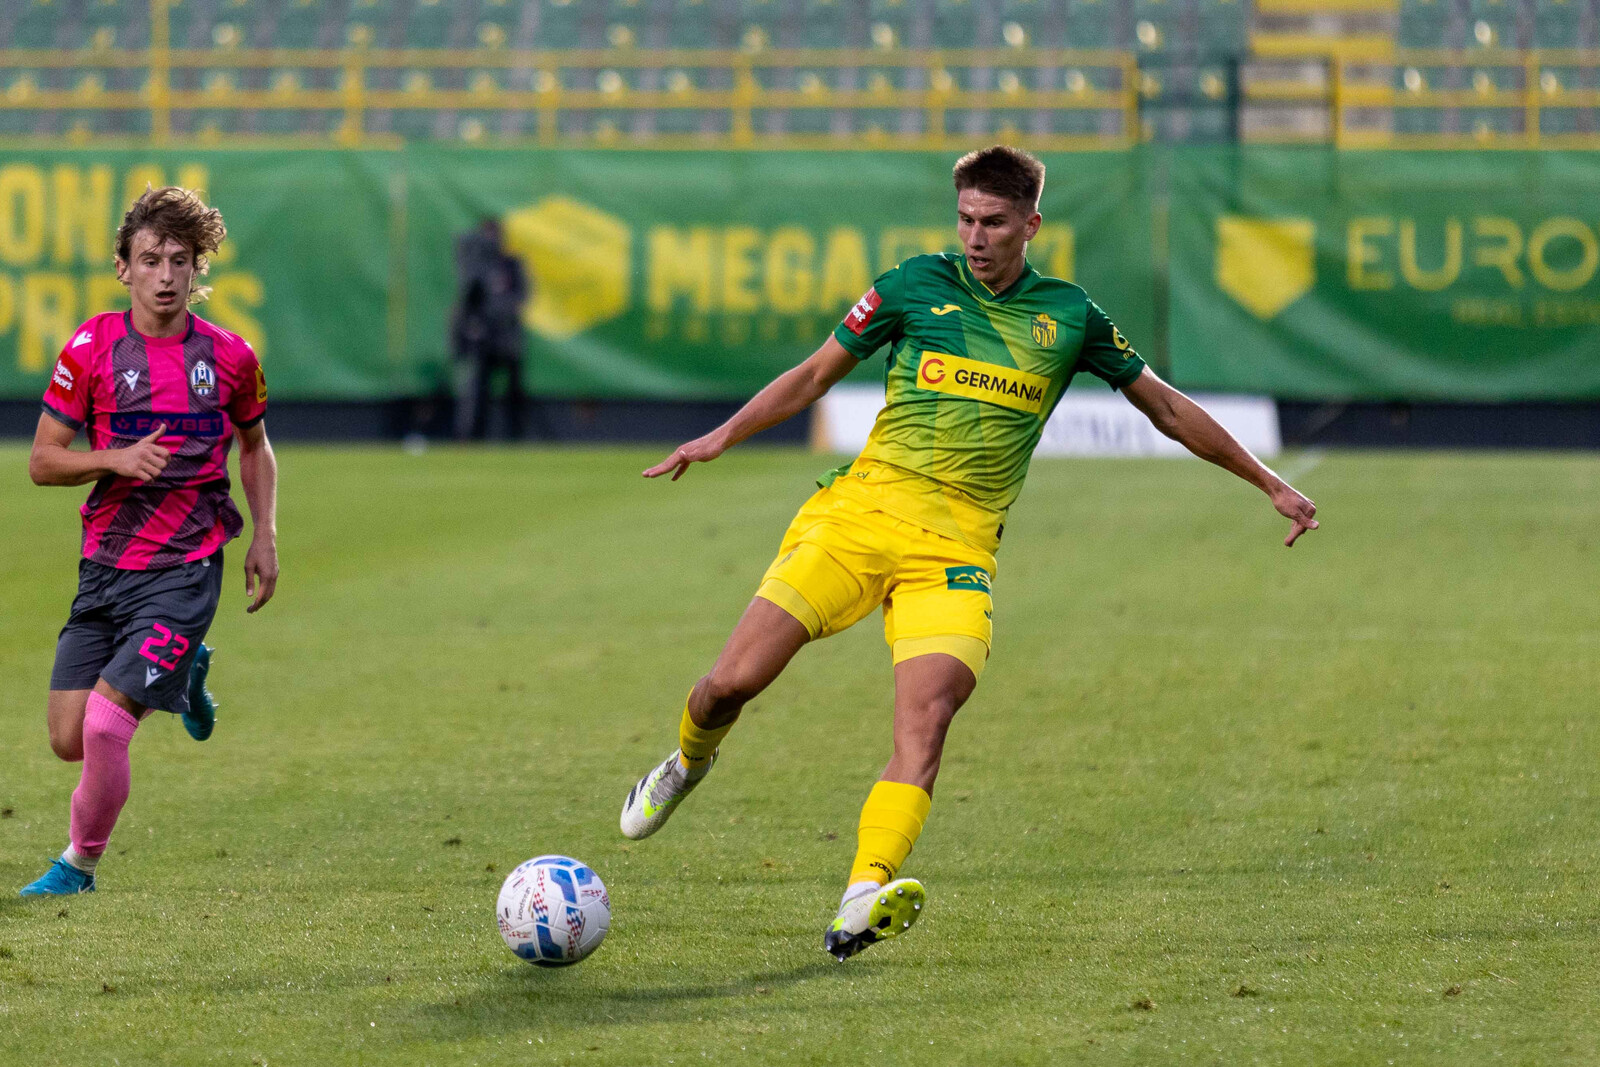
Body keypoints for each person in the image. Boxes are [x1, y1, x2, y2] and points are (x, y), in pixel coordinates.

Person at [618, 146, 1320, 960]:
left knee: (928, 722)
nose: (976, 236)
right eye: (965, 219)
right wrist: (721, 436)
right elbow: (814, 375)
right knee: (727, 685)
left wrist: (1267, 481)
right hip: (856, 518)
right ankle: (686, 762)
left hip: (955, 552)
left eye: (993, 222)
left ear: (1031, 224)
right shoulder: (914, 284)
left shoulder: (1071, 317)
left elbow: (1162, 406)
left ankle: (861, 893)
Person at [20, 186, 279, 896]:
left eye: (180, 260)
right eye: (150, 259)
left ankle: (79, 864)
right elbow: (43, 460)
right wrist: (113, 458)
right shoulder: (90, 348)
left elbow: (255, 448)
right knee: (67, 737)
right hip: (105, 566)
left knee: (105, 729)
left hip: (187, 568)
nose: (166, 275)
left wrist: (265, 537)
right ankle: (186, 671)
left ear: (199, 269)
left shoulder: (230, 358)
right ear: (123, 268)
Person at [451, 218, 532, 440]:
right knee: (478, 390)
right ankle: (474, 437)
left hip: (507, 337)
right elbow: (467, 300)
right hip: (484, 340)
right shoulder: (476, 267)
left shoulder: (512, 264)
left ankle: (516, 436)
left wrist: (501, 309)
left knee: (514, 391)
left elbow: (522, 296)